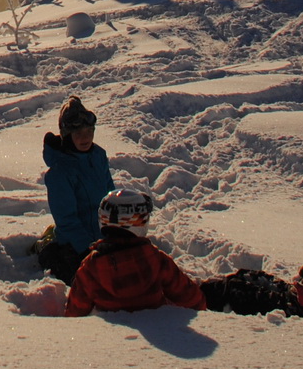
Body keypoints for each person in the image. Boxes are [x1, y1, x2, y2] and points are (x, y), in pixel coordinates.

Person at [65, 185, 207, 316]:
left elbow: (75, 312)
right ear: (140, 221)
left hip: (111, 335)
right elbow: (191, 298)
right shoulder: (154, 258)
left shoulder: (90, 266)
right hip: (158, 328)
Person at [37, 97, 111, 284]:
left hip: (103, 237)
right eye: (78, 133)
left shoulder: (98, 156)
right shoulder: (60, 173)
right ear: (67, 135)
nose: (85, 138)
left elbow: (110, 197)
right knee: (89, 281)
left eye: (88, 131)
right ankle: (47, 248)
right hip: (77, 244)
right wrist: (88, 248)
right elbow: (67, 219)